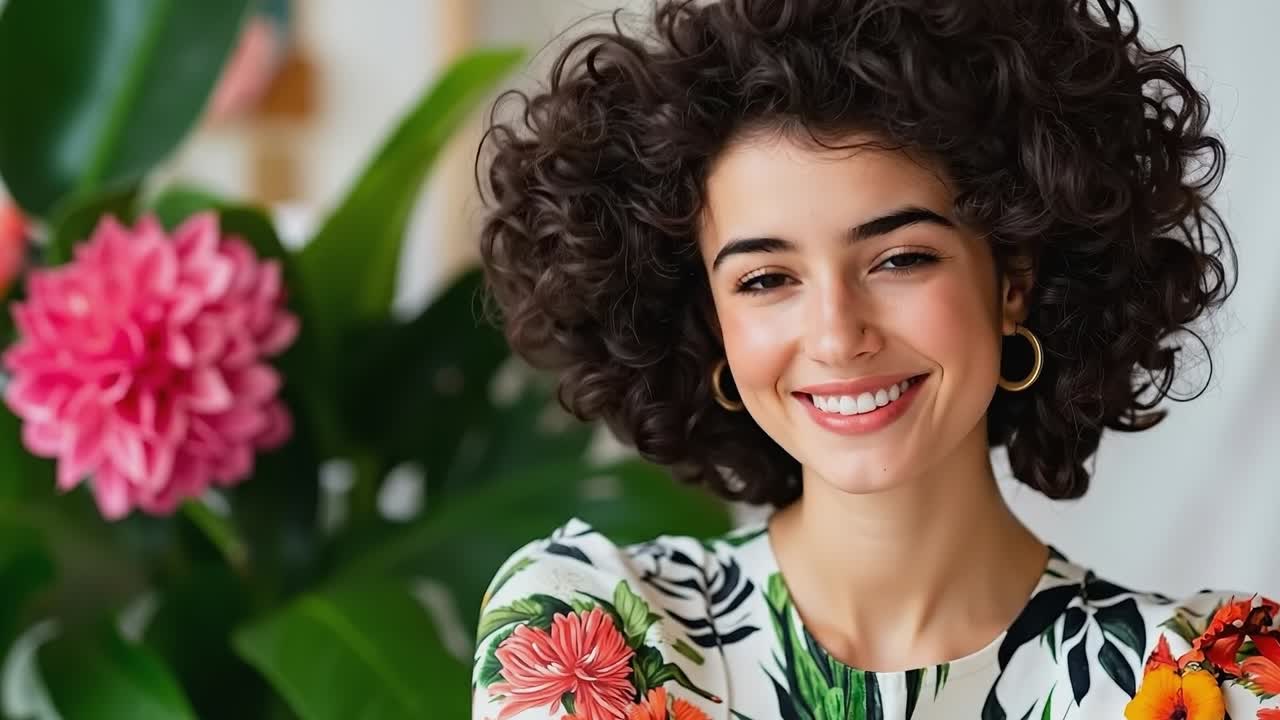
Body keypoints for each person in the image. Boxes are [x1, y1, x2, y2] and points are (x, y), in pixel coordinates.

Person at [470, 1, 1278, 718]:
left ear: (1013, 285)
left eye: (899, 259)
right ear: (711, 324)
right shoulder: (592, 631)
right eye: (765, 279)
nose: (835, 334)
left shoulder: (1222, 678)